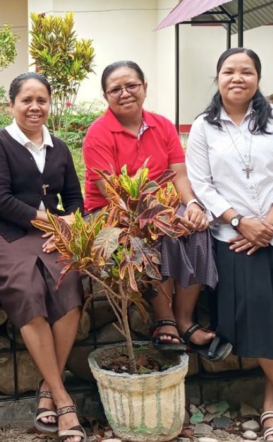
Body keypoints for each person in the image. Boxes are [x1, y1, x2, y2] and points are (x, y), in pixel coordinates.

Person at [186, 48, 273, 442]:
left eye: (246, 71)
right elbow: (202, 184)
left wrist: (269, 223)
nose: (237, 78)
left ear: (258, 79)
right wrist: (239, 221)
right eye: (229, 71)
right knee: (260, 313)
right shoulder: (203, 127)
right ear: (218, 77)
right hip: (235, 240)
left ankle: (269, 404)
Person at [83, 60, 230, 362]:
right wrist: (160, 216)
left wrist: (192, 206)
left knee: (196, 229)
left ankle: (185, 321)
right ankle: (164, 319)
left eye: (131, 85)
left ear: (145, 87)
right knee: (159, 233)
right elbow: (110, 192)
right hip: (112, 214)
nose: (124, 93)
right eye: (115, 89)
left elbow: (179, 175)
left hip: (163, 207)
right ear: (106, 96)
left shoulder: (162, 125)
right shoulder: (98, 133)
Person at [0, 72, 88, 442]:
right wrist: (54, 222)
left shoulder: (59, 148)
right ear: (12, 105)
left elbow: (74, 196)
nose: (35, 107)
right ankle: (62, 398)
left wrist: (72, 219)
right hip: (3, 230)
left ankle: (46, 390)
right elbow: (1, 199)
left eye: (42, 99)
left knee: (69, 283)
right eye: (27, 100)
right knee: (26, 286)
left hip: (50, 232)